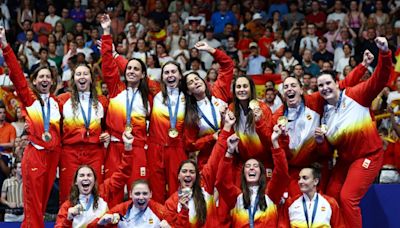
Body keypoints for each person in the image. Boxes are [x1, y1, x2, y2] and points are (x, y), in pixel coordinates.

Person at [316, 37, 391, 228]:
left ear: (337, 83)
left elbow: (380, 79)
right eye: (320, 86)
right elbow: (327, 150)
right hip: (345, 160)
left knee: (348, 198)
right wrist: (320, 140)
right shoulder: (324, 114)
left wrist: (384, 53)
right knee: (330, 196)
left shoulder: (355, 95)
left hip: (368, 156)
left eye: (328, 83)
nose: (325, 88)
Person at [278, 49, 374, 196]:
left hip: (318, 165)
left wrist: (363, 65)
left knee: (325, 200)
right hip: (294, 169)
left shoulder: (314, 100)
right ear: (282, 93)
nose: (290, 89)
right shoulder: (278, 116)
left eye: (293, 86)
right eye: (286, 87)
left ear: (301, 89)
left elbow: (341, 85)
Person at [0, 26, 60, 228]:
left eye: (47, 76)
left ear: (52, 81)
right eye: (40, 76)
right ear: (34, 80)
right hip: (35, 154)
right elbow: (16, 75)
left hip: (53, 156)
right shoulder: (30, 100)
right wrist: (5, 46)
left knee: (41, 205)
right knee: (33, 204)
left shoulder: (58, 103)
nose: (44, 79)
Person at [100, 14, 152, 208]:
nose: (130, 71)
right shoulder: (116, 89)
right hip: (115, 147)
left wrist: (119, 57)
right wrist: (106, 33)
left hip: (138, 147)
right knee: (112, 191)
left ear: (143, 74)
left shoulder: (150, 95)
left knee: (137, 191)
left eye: (136, 69)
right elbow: (107, 65)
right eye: (128, 68)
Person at [165, 110, 236, 227]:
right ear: (178, 176)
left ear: (197, 176)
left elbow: (216, 156)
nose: (188, 174)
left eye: (192, 172)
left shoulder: (205, 186)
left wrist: (227, 126)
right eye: (184, 171)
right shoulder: (171, 203)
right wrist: (183, 211)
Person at [215, 123, 289, 227]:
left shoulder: (271, 194)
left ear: (261, 173)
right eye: (248, 166)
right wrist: (230, 151)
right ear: (243, 173)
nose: (251, 168)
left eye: (255, 166)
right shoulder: (236, 197)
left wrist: (275, 142)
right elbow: (221, 182)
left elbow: (282, 174)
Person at [55, 132, 134, 227]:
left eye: (89, 175)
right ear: (76, 181)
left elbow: (123, 173)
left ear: (94, 180)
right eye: (82, 175)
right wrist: (69, 219)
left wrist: (128, 148)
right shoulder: (68, 206)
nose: (85, 178)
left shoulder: (104, 192)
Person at [57, 62, 109, 204]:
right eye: (78, 74)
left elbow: (108, 125)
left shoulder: (102, 101)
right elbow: (54, 124)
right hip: (70, 152)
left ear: (91, 78)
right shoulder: (63, 100)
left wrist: (106, 133)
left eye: (85, 74)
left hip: (95, 151)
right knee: (68, 191)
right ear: (73, 79)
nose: (82, 77)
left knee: (97, 189)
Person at [182, 41, 233, 171]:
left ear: (203, 81)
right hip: (208, 158)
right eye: (191, 83)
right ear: (188, 91)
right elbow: (189, 144)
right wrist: (211, 138)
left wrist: (211, 50)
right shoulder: (191, 113)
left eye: (197, 79)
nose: (195, 82)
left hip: (231, 151)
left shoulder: (218, 91)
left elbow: (227, 65)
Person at [96, 179, 171, 227]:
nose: (141, 197)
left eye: (145, 193)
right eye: (137, 194)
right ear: (130, 194)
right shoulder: (121, 210)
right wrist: (100, 224)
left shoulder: (160, 211)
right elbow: (91, 226)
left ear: (150, 194)